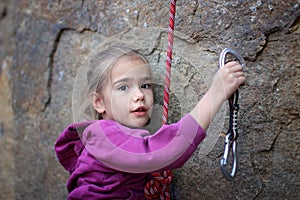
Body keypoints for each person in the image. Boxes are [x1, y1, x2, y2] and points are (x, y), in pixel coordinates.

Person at [54, 46, 245, 199]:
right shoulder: (103, 134)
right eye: (123, 87)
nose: (139, 95)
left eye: (145, 86)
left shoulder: (111, 142)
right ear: (99, 102)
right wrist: (216, 93)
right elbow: (165, 150)